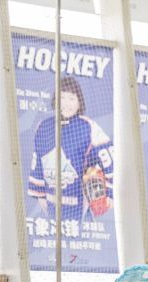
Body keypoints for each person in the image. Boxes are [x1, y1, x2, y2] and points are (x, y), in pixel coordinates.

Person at [28, 76, 112, 225]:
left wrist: (110, 194)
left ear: (79, 102)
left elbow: (110, 160)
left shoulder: (88, 126)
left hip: (81, 208)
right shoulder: (44, 126)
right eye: (62, 98)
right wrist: (42, 198)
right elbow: (37, 166)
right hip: (52, 207)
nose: (66, 103)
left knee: (78, 246)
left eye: (72, 98)